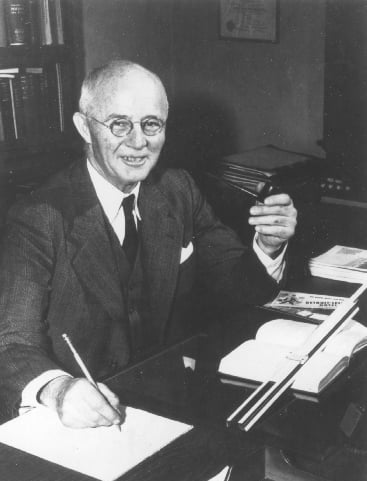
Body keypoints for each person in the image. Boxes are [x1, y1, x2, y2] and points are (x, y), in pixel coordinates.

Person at [0, 60, 297, 429]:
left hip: (165, 402)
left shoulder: (176, 190)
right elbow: (12, 341)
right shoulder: (40, 215)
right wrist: (59, 389)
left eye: (151, 124)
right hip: (75, 419)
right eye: (119, 124)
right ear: (84, 128)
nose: (138, 142)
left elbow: (242, 285)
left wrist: (268, 245)